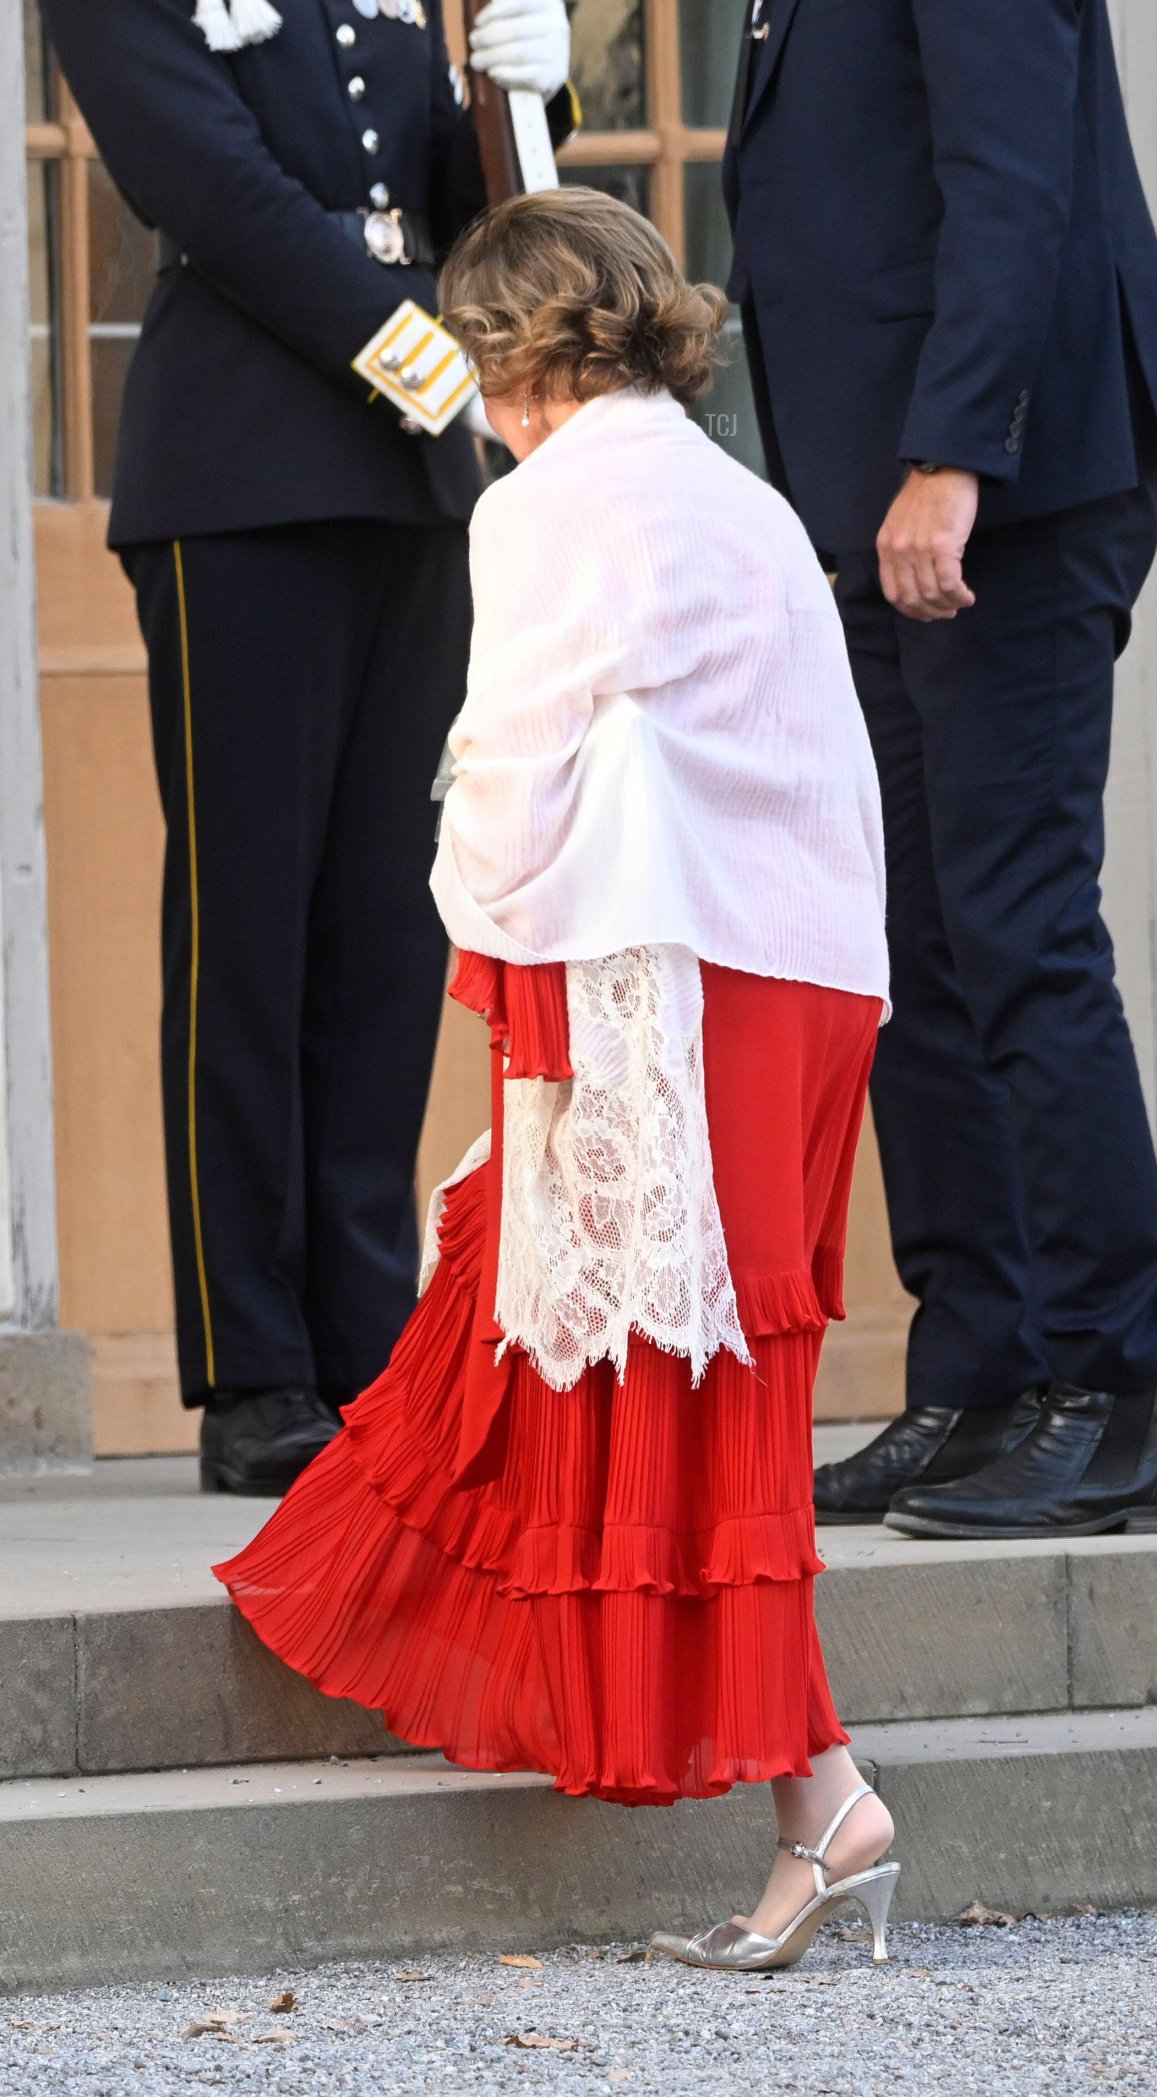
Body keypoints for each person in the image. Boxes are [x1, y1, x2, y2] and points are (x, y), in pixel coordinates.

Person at [216, 187, 900, 1972]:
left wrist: (468, 913)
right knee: (714, 1379)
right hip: (807, 969)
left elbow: (510, 771)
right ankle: (823, 1799)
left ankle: (824, 1797)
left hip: (670, 969)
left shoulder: (544, 506)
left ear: (521, 356)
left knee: (633, 1364)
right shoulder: (740, 496)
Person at [39, 0, 578, 1496]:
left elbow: (457, 203)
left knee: (385, 940)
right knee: (249, 932)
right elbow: (207, 183)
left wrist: (529, 105)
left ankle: (363, 1342)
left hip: (412, 484)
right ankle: (255, 1364)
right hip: (243, 470)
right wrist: (421, 359)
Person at [723, 0, 1157, 1537]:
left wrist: (953, 454)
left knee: (1017, 921)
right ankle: (984, 1371)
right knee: (915, 942)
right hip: (885, 495)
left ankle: (1113, 1388)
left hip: (1002, 486)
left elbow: (1010, 170)